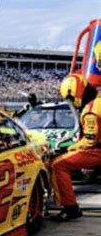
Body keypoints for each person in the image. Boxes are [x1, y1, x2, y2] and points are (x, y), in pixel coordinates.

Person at [51, 87, 101, 221]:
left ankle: (70, 208)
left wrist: (71, 148)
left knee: (58, 165)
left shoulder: (92, 109)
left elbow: (91, 140)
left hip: (97, 151)